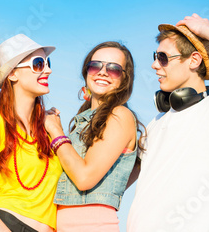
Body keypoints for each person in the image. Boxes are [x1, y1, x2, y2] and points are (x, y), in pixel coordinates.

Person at [127, 13, 209, 231]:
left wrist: (204, 30)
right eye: (155, 56)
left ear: (194, 60)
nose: (154, 65)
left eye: (163, 57)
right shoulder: (156, 123)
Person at [0, 34, 63, 232]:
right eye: (38, 64)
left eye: (47, 63)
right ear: (13, 74)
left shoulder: (50, 127)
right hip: (4, 224)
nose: (48, 70)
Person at [43, 41, 143, 231]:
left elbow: (84, 178)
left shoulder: (119, 115)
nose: (103, 72)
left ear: (125, 79)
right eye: (95, 65)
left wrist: (56, 132)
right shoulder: (82, 123)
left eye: (113, 69)